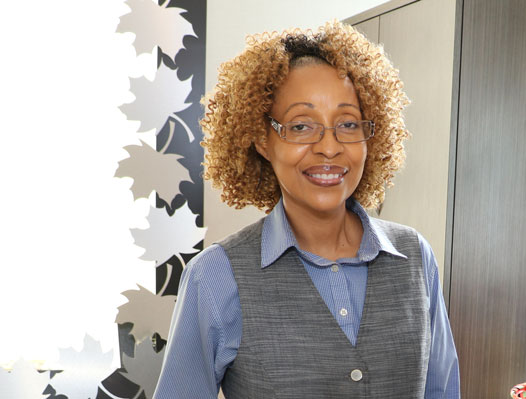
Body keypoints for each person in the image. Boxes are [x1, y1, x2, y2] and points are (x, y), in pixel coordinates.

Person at [154, 20, 460, 398]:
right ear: (262, 140)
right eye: (301, 126)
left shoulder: (415, 258)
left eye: (347, 124)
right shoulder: (216, 277)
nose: (329, 147)